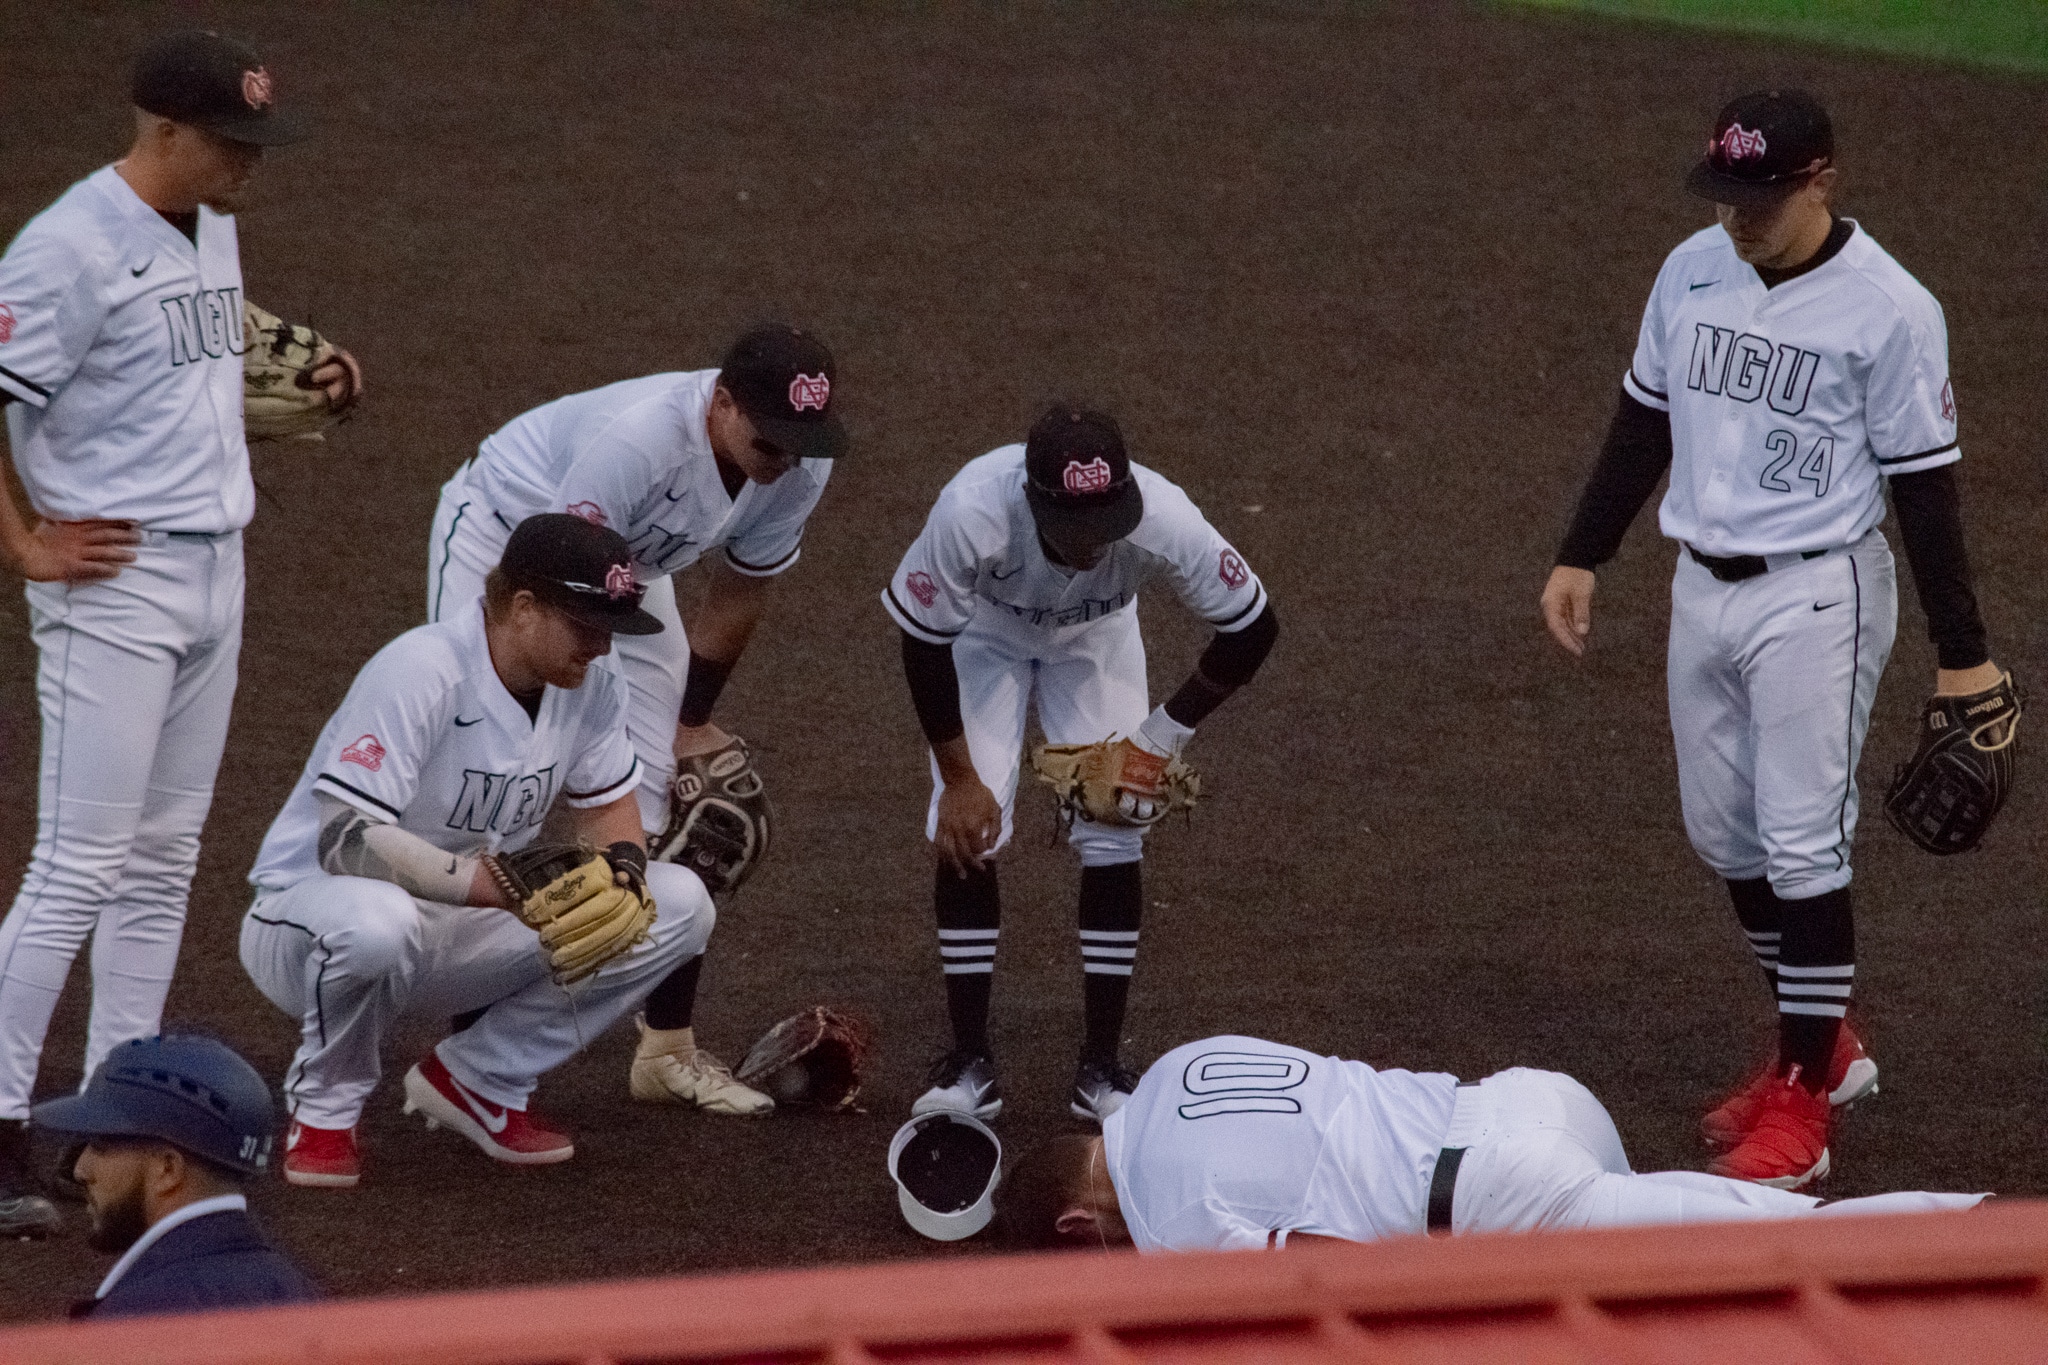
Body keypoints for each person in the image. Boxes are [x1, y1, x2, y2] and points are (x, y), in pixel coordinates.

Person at [1537, 90, 2006, 1189]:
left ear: (1819, 180)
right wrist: (1581, 549)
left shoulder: (1889, 310)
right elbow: (1643, 411)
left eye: (1759, 197)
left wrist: (1961, 651)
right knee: (1723, 837)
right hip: (1700, 587)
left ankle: (1801, 1101)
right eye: (1724, 194)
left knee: (1800, 844)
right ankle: (1822, 1040)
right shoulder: (1689, 269)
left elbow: (1925, 489)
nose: (1736, 217)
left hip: (1816, 595)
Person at [0, 29, 361, 1238]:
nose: (251, 161)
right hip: (118, 585)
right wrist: (25, 541)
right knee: (77, 867)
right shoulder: (64, 249)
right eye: (232, 140)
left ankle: (113, 1119)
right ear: (162, 131)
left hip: (218, 573)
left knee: (162, 862)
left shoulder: (207, 220)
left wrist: (302, 369)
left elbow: (184, 359)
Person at [240, 515, 765, 1191]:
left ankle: (480, 1078)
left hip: (452, 924)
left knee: (677, 905)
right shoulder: (421, 669)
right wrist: (497, 882)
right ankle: (324, 1111)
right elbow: (346, 839)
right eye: (587, 626)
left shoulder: (591, 686)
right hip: (309, 922)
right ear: (523, 608)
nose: (602, 647)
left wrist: (625, 865)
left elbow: (608, 804)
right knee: (378, 921)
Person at [883, 406, 1278, 1123]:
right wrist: (963, 780)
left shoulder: (1166, 518)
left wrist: (1162, 735)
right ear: (1034, 502)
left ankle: (1101, 1069)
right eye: (1078, 526)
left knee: (1118, 818)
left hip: (1096, 639)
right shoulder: (972, 510)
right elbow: (923, 641)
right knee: (968, 830)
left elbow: (1253, 625)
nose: (1097, 542)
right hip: (984, 635)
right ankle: (969, 1061)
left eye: (1109, 520)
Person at [425, 323, 845, 837]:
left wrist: (690, 723)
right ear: (723, 402)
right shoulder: (639, 440)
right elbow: (568, 582)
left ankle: (626, 885)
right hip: (504, 527)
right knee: (486, 716)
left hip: (623, 559)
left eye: (800, 444)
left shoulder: (804, 466)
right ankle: (434, 878)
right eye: (771, 442)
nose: (786, 461)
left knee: (656, 753)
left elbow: (740, 592)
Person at [999, 1034, 1987, 1252]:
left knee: (1788, 1249)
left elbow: (1306, 1288)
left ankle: (1994, 1239)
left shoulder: (1169, 1220)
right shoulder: (1178, 1064)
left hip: (1510, 1200)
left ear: (1079, 1224)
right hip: (1532, 1103)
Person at [32, 1034, 316, 1317]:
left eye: (101, 1145)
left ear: (168, 1169)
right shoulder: (298, 1293)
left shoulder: (133, 1319)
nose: (80, 1170)